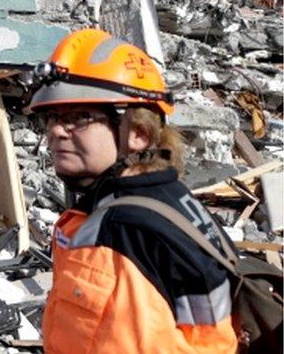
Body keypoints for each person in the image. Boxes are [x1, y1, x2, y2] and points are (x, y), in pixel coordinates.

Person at [27, 28, 237, 353]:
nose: (56, 130)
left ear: (137, 133)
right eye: (52, 117)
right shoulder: (166, 203)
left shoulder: (130, 229)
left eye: (77, 117)